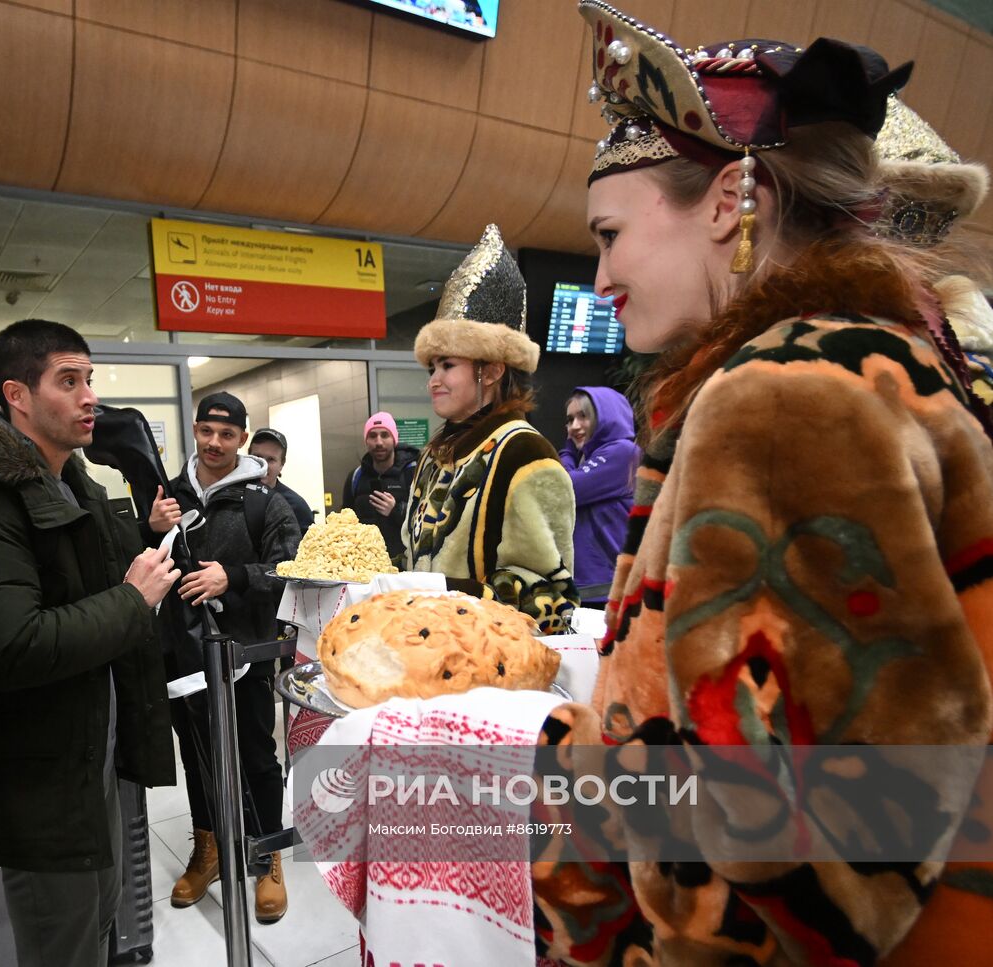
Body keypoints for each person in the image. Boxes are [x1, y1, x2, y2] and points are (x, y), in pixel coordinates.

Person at [532, 5, 993, 965]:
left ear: (731, 197)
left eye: (611, 233)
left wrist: (568, 759)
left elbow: (808, 851)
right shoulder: (881, 361)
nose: (602, 274)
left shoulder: (785, 395)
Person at [0, 319, 179, 967]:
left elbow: (103, 578)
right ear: (18, 394)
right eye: (69, 381)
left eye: (90, 379)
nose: (89, 395)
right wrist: (134, 599)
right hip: (38, 783)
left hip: (88, 761)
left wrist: (146, 536)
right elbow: (14, 643)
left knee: (99, 929)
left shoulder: (76, 482)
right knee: (62, 944)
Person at [147, 391, 300, 923]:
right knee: (198, 753)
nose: (215, 443)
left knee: (256, 753)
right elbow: (137, 566)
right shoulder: (166, 493)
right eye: (207, 432)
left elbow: (290, 570)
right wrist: (150, 529)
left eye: (227, 434)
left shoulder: (264, 502)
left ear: (242, 438)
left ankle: (265, 856)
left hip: (249, 654)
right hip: (186, 655)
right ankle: (209, 850)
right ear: (195, 429)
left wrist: (231, 576)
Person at [405, 224, 579, 634]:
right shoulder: (435, 453)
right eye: (433, 367)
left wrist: (441, 594)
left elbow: (549, 598)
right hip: (426, 652)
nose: (433, 380)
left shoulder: (525, 453)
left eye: (448, 365)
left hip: (489, 668)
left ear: (492, 370)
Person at [559, 387, 636, 604]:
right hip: (589, 589)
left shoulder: (623, 452)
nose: (574, 426)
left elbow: (565, 489)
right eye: (570, 419)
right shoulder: (587, 457)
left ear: (605, 416)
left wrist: (567, 451)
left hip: (607, 593)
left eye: (583, 416)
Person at [341, 411, 418, 559]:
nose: (379, 442)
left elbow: (427, 521)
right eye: (372, 436)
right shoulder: (355, 477)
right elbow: (345, 523)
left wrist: (397, 510)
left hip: (403, 565)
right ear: (366, 441)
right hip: (365, 564)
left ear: (394, 439)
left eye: (385, 435)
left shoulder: (412, 473)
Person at [249, 426, 316, 533]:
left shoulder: (297, 506)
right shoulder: (231, 496)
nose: (263, 465)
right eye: (258, 457)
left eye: (271, 459)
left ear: (282, 464)